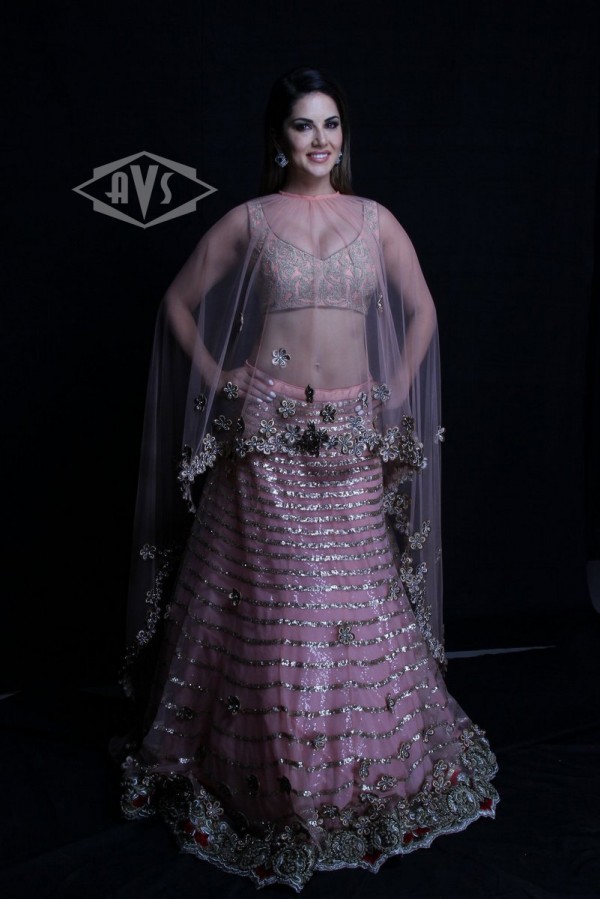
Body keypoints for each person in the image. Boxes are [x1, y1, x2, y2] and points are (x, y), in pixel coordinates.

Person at [116, 66, 499, 892]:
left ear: (343, 135)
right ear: (279, 137)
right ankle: (279, 787)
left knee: (355, 599)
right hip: (267, 433)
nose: (319, 140)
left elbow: (422, 309)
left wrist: (394, 390)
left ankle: (356, 781)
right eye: (303, 125)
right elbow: (179, 302)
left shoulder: (376, 220)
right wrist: (222, 376)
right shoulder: (251, 221)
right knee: (283, 600)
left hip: (353, 432)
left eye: (330, 124)